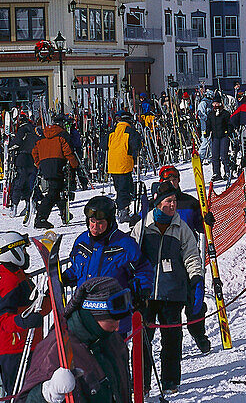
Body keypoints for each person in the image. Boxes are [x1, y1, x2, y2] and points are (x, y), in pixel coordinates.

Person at [135, 181, 203, 394]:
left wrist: (196, 278)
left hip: (173, 291)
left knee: (172, 338)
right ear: (157, 203)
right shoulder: (143, 226)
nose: (173, 205)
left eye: (174, 201)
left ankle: (170, 380)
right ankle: (141, 383)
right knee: (143, 338)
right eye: (168, 201)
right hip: (146, 292)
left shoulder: (181, 227)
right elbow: (132, 255)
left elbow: (191, 254)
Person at [18, 277, 132, 403]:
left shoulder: (110, 339)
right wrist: (48, 394)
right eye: (111, 321)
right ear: (92, 316)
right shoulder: (54, 350)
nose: (117, 328)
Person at [60, 195, 153, 337]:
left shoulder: (125, 244)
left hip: (112, 317)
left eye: (100, 223)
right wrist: (64, 278)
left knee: (111, 357)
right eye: (92, 221)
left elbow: (143, 270)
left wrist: (142, 291)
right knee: (82, 357)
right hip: (84, 316)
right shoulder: (82, 241)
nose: (95, 227)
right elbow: (77, 267)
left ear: (109, 222)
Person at [156, 164, 211, 354]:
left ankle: (198, 333)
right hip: (166, 263)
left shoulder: (189, 203)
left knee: (194, 300)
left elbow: (201, 228)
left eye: (174, 179)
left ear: (178, 180)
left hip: (188, 258)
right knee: (170, 307)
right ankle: (173, 347)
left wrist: (207, 221)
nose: (171, 182)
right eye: (167, 180)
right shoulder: (156, 205)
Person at [0, 231, 43, 396]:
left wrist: (51, 295)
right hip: (14, 351)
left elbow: (36, 309)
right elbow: (3, 320)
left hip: (27, 346)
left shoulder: (21, 278)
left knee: (32, 395)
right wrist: (22, 321)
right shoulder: (9, 282)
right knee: (18, 396)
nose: (27, 255)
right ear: (12, 253)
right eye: (23, 250)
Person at [31, 116, 79, 229]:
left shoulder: (42, 135)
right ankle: (41, 218)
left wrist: (40, 164)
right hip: (58, 163)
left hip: (45, 165)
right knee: (53, 193)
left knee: (56, 189)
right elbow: (68, 151)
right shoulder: (62, 135)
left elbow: (34, 152)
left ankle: (64, 212)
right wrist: (74, 164)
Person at [106, 111, 141, 225]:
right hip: (124, 164)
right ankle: (122, 212)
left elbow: (103, 145)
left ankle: (122, 208)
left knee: (120, 188)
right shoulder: (130, 131)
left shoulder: (112, 131)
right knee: (124, 190)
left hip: (113, 164)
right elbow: (136, 145)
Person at [8, 113, 40, 219]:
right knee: (30, 183)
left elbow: (17, 142)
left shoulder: (22, 130)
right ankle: (31, 204)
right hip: (33, 159)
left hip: (22, 159)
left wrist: (9, 146)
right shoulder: (34, 129)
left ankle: (15, 207)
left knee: (19, 183)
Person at [205, 97, 234, 180]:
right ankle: (216, 173)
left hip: (224, 136)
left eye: (217, 103)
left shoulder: (225, 113)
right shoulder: (211, 114)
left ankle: (227, 172)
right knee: (215, 156)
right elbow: (208, 124)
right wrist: (207, 132)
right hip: (215, 137)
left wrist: (228, 131)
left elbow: (229, 124)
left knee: (224, 155)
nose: (215, 105)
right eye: (214, 104)